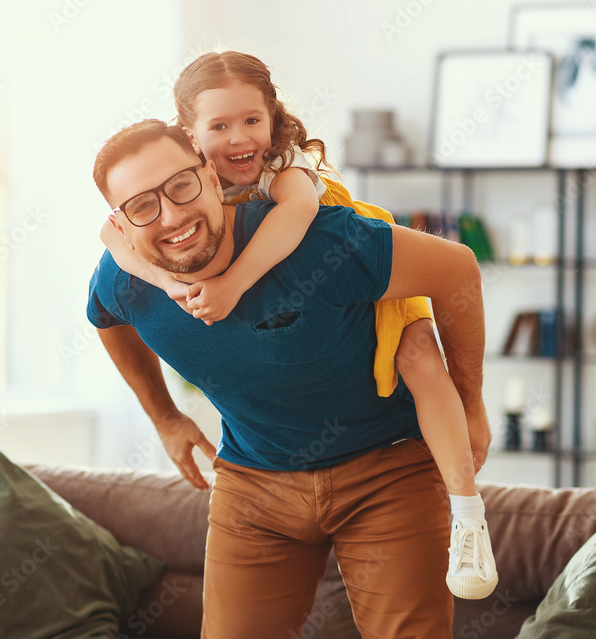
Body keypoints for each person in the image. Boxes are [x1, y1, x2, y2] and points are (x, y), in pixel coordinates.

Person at [98, 51, 496, 600]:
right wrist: (168, 288)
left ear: (272, 118)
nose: (240, 138)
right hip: (255, 473)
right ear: (192, 139)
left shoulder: (288, 170)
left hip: (382, 281)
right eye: (220, 126)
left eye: (252, 120)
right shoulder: (169, 205)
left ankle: (468, 511)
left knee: (421, 361)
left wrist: (233, 284)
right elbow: (113, 244)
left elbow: (294, 220)